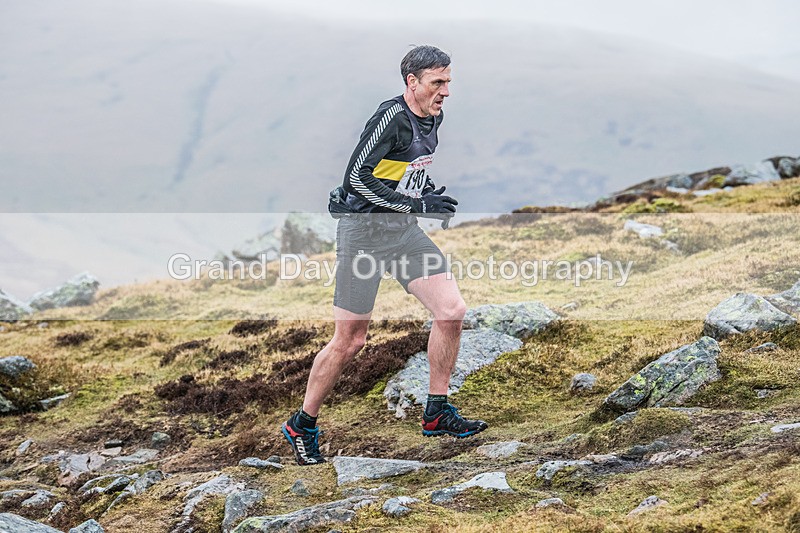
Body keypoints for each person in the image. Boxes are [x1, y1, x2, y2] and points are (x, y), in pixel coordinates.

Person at [282, 45, 487, 466]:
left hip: (401, 234)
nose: (446, 91)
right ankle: (302, 423)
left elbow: (401, 172)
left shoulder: (434, 116)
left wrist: (426, 195)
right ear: (411, 83)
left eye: (448, 81)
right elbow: (356, 178)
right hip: (363, 235)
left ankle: (437, 412)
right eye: (437, 83)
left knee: (451, 311)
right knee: (351, 340)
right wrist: (414, 205)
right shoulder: (390, 118)